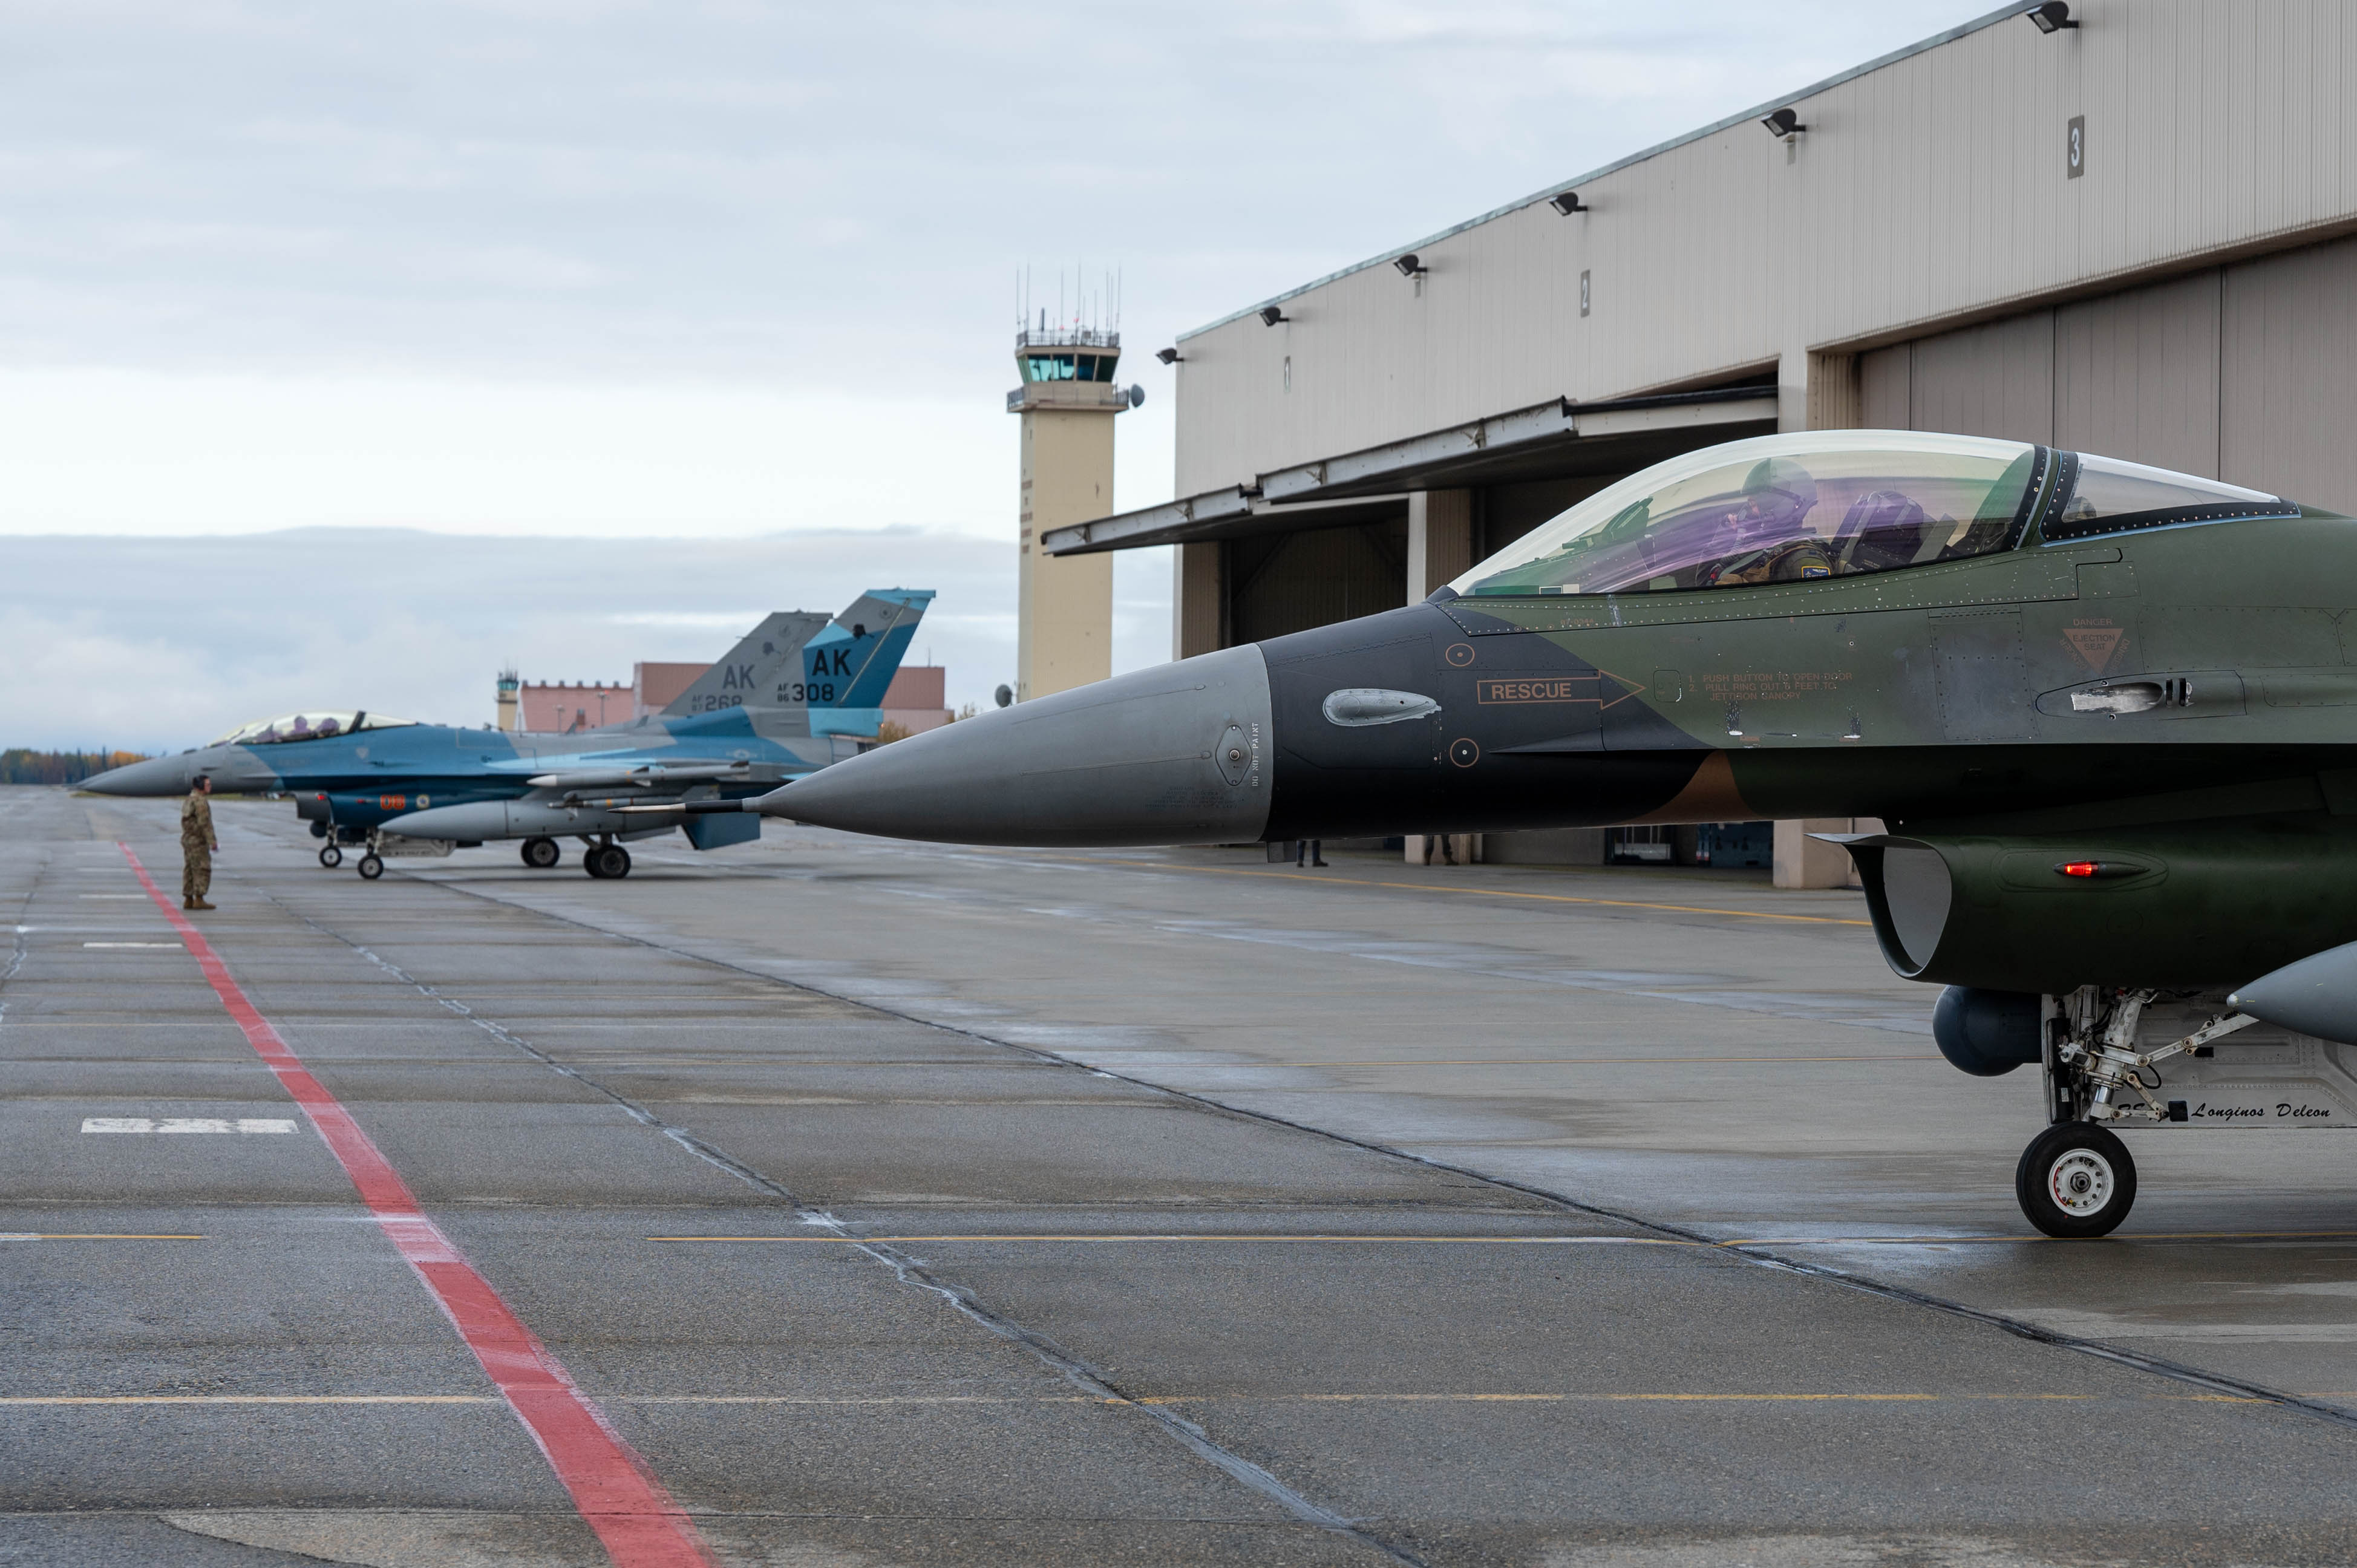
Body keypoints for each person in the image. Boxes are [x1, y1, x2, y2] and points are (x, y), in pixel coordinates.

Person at [181, 776, 218, 911]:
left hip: (188, 840)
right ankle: (199, 899)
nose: (210, 786)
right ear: (200, 786)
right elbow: (204, 824)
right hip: (198, 841)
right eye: (207, 784)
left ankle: (188, 899)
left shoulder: (190, 798)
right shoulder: (200, 801)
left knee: (190, 869)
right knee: (202, 868)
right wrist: (212, 841)